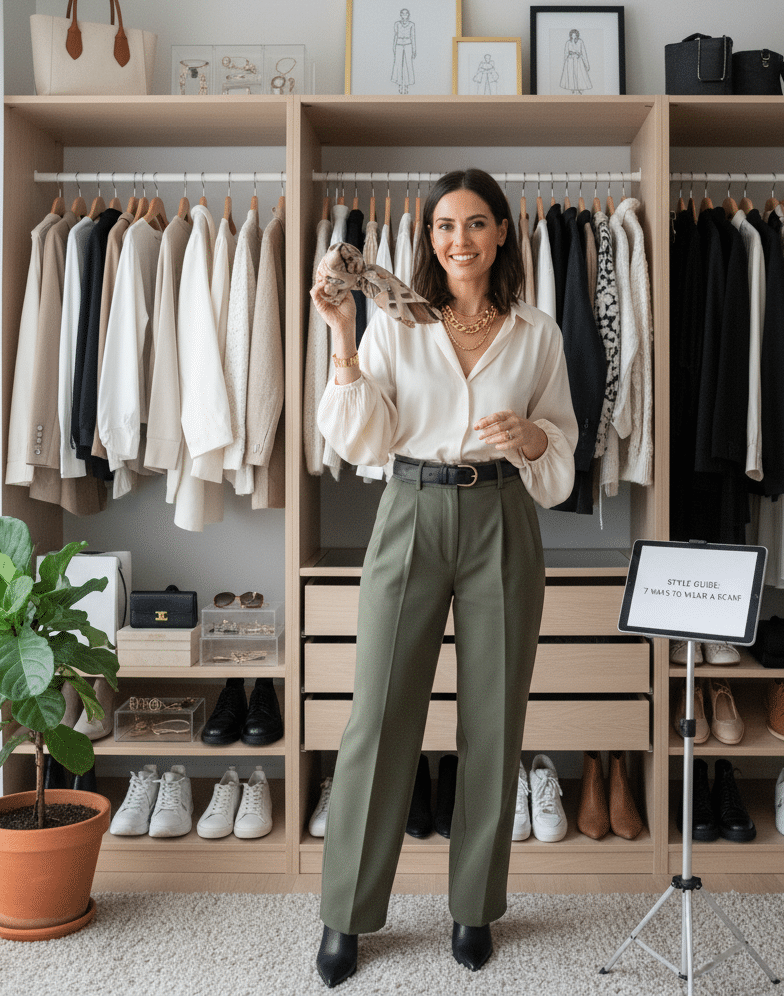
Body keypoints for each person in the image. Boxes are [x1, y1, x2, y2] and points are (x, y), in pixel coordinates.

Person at [309, 168, 578, 987]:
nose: (458, 240)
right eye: (442, 227)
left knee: (493, 721)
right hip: (411, 512)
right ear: (428, 240)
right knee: (378, 717)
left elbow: (562, 453)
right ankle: (347, 913)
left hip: (502, 516)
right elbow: (364, 438)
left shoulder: (537, 333)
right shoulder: (396, 324)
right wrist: (344, 338)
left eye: (474, 224)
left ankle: (474, 908)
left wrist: (530, 435)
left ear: (501, 233)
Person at [391, 8, 416, 94]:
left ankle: (407, 85)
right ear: (401, 15)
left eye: (406, 14)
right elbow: (395, 35)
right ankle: (399, 84)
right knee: (398, 64)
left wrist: (414, 49)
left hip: (408, 44)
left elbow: (413, 37)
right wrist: (393, 46)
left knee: (408, 64)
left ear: (408, 15)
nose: (404, 15)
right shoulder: (397, 24)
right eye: (403, 14)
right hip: (399, 44)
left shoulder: (412, 24)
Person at [560, 28, 592, 94]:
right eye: (572, 35)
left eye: (575, 35)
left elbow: (584, 53)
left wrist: (587, 64)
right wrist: (564, 63)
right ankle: (573, 88)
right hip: (570, 61)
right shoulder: (568, 42)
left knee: (579, 74)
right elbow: (566, 53)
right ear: (570, 35)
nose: (573, 36)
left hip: (578, 60)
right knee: (571, 74)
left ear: (577, 35)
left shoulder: (580, 41)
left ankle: (579, 88)